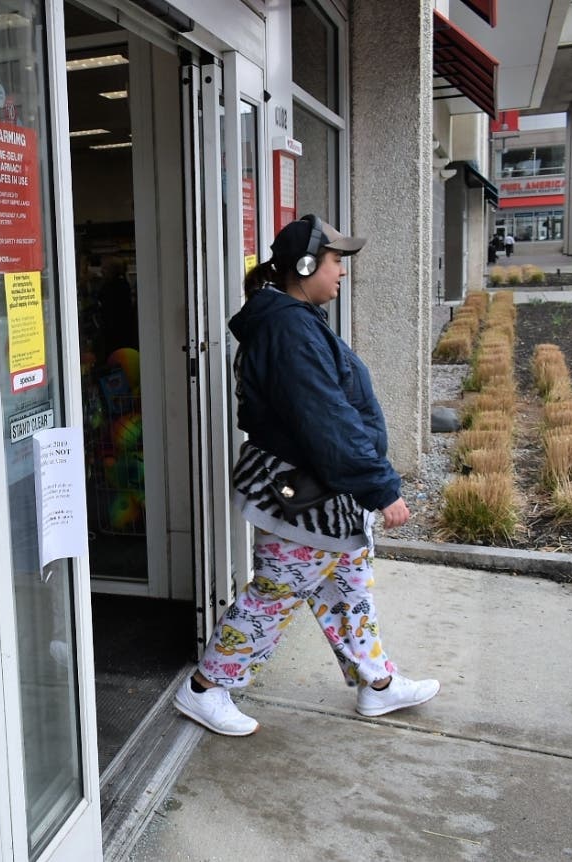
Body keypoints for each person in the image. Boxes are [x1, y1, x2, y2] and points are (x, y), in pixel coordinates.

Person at [172, 215, 440, 736]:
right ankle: (206, 688)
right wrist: (380, 486)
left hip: (315, 489)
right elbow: (326, 418)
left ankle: (376, 684)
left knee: (349, 581)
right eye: (337, 261)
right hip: (305, 494)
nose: (342, 272)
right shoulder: (289, 327)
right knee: (276, 592)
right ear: (305, 265)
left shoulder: (295, 319)